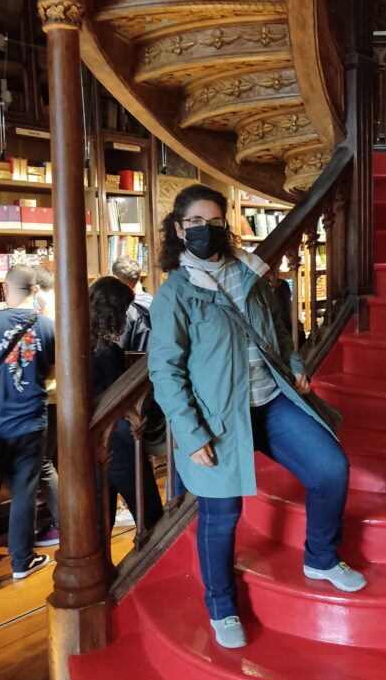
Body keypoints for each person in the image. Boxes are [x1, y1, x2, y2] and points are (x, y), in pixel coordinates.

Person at [148, 184, 366, 650]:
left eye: (214, 223)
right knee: (221, 515)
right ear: (179, 229)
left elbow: (279, 333)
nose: (205, 231)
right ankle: (221, 605)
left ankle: (321, 557)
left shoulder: (249, 273)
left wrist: (296, 364)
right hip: (219, 419)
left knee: (330, 469)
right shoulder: (175, 295)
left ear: (226, 226)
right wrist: (190, 434)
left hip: (272, 401)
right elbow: (164, 372)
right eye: (195, 224)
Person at [0, 265, 55, 580]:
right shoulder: (47, 326)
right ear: (34, 289)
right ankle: (21, 561)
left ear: (6, 288)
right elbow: (54, 372)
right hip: (31, 421)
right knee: (24, 491)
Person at [89, 276, 163, 531]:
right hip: (118, 438)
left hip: (91, 439)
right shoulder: (107, 351)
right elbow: (119, 397)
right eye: (123, 310)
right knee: (148, 508)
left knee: (100, 512)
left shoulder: (77, 344)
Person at [33, 265, 59, 546]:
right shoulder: (59, 308)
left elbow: (50, 369)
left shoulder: (46, 316)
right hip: (59, 395)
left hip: (49, 396)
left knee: (44, 463)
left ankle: (62, 523)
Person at [111, 255, 152, 352]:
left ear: (115, 278)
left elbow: (117, 349)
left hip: (131, 365)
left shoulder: (124, 309)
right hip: (152, 362)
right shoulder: (154, 302)